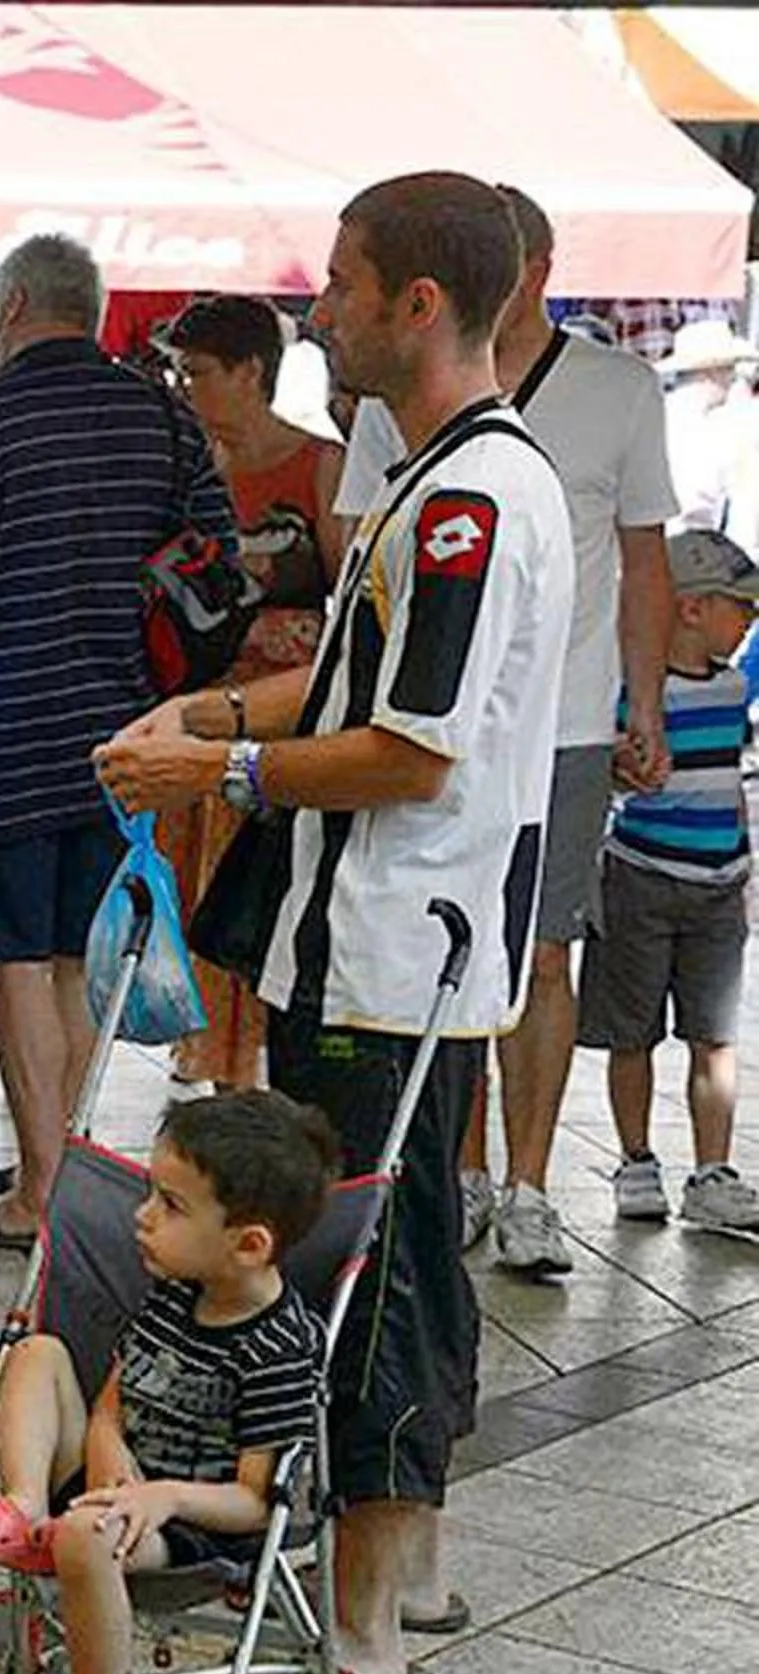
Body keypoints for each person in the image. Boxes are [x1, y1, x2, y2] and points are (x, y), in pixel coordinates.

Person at [98, 169, 574, 1674]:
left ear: (417, 305)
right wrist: (215, 711)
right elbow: (358, 686)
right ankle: (407, 1568)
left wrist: (216, 771)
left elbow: (410, 748)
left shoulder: (473, 503)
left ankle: (361, 1613)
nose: (316, 312)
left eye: (341, 284)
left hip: (388, 951)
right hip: (380, 944)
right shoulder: (443, 478)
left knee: (353, 1273)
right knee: (413, 1249)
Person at [335, 187, 675, 1277]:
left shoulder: (614, 392)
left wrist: (645, 704)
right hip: (422, 722)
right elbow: (357, 543)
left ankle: (527, 1179)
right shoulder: (398, 400)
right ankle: (464, 1166)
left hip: (561, 720)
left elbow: (646, 561)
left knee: (537, 947)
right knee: (450, 952)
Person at [0, 234, 235, 1251]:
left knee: (16, 962)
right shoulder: (161, 414)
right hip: (127, 734)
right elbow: (215, 554)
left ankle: (39, 1191)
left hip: (1, 733)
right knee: (79, 958)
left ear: (19, 304)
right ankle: (66, 1166)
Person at [0, 1093, 331, 1674]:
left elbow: (255, 1502)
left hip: (191, 1528)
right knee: (37, 1351)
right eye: (149, 1194)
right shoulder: (174, 1292)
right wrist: (110, 1459)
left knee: (87, 1534)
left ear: (249, 1244)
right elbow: (113, 1405)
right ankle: (20, 1506)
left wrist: (155, 1495)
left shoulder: (278, 1350)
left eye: (171, 1206)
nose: (142, 1217)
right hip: (109, 1487)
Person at [156, 295, 348, 1091]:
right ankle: (212, 1071)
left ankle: (256, 1076)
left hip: (282, 712)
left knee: (265, 894)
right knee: (194, 895)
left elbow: (343, 595)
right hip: (197, 705)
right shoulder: (180, 462)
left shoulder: (320, 462)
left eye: (198, 372)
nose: (185, 387)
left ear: (251, 372)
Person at [583, 529, 759, 1233]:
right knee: (633, 1032)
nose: (749, 621)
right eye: (740, 606)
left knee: (714, 1034)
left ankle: (712, 1171)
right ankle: (636, 1160)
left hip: (720, 883)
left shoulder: (734, 681)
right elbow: (609, 764)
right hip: (642, 875)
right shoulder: (634, 689)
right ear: (689, 608)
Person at [658, 319, 757, 538]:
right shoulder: (708, 425)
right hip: (688, 541)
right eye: (729, 370)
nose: (733, 379)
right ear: (712, 372)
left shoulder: (666, 411)